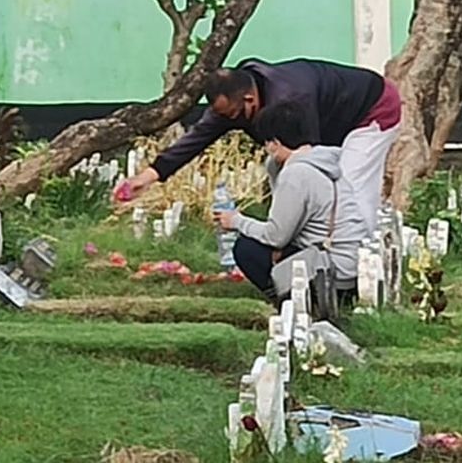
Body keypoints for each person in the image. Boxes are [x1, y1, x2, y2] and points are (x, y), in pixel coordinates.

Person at [120, 57, 401, 232]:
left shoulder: (292, 97)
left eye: (231, 116)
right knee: (277, 167)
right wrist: (147, 177)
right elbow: (195, 139)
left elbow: (311, 161)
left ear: (250, 101)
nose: (227, 121)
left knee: (350, 188)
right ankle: (291, 235)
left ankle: (357, 264)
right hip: (331, 120)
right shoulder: (231, 105)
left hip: (372, 111)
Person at [213, 100, 367, 301]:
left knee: (247, 249)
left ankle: (287, 299)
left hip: (332, 273)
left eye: (267, 143)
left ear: (275, 143)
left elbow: (276, 236)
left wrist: (236, 221)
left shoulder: (296, 174)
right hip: (352, 266)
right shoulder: (323, 162)